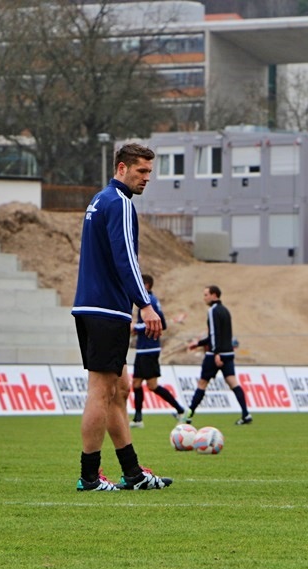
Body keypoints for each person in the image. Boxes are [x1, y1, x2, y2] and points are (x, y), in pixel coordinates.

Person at [71, 142, 172, 491]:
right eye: (141, 171)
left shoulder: (99, 200)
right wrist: (144, 303)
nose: (146, 178)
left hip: (91, 306)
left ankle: (132, 473)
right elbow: (125, 258)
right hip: (106, 309)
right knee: (101, 391)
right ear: (121, 168)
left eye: (149, 172)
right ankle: (89, 476)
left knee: (121, 388)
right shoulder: (120, 203)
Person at [184, 285, 252, 425]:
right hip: (228, 353)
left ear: (214, 295)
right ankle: (246, 414)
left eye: (206, 295)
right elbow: (221, 335)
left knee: (202, 383)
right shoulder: (225, 310)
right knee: (233, 382)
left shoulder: (213, 311)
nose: (204, 298)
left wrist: (216, 353)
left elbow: (214, 334)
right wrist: (197, 344)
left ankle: (188, 415)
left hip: (215, 354)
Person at [129, 274, 187, 427]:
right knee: (136, 383)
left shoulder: (149, 301)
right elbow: (161, 324)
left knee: (152, 385)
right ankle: (138, 419)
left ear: (146, 285)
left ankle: (181, 410)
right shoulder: (149, 301)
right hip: (143, 349)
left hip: (149, 349)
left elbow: (158, 324)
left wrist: (135, 327)